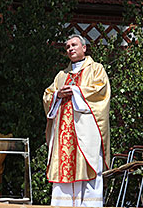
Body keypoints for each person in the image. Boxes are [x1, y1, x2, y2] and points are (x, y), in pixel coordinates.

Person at [43, 34, 110, 207]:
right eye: (67, 47)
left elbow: (100, 91)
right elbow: (47, 95)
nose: (71, 48)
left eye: (74, 45)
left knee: (88, 164)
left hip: (86, 129)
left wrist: (75, 91)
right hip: (64, 132)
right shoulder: (61, 75)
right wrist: (58, 94)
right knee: (64, 166)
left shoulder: (96, 69)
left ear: (84, 48)